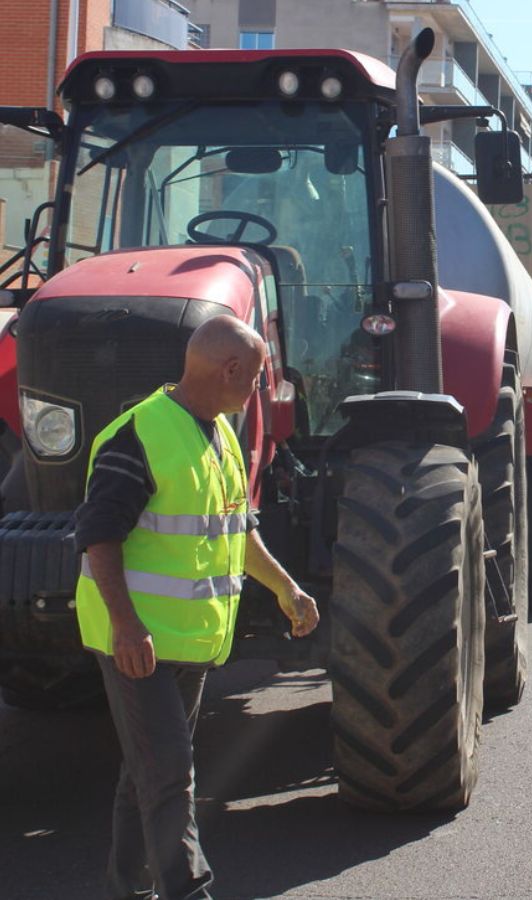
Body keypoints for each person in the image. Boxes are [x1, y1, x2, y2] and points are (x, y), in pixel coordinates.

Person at [74, 316, 320, 900]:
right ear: (229, 370)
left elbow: (239, 532)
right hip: (138, 643)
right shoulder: (138, 435)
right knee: (169, 776)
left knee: (146, 777)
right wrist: (126, 626)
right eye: (257, 377)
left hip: (186, 643)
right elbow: (98, 535)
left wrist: (287, 588)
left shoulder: (220, 436)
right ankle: (189, 891)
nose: (260, 390)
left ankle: (122, 889)